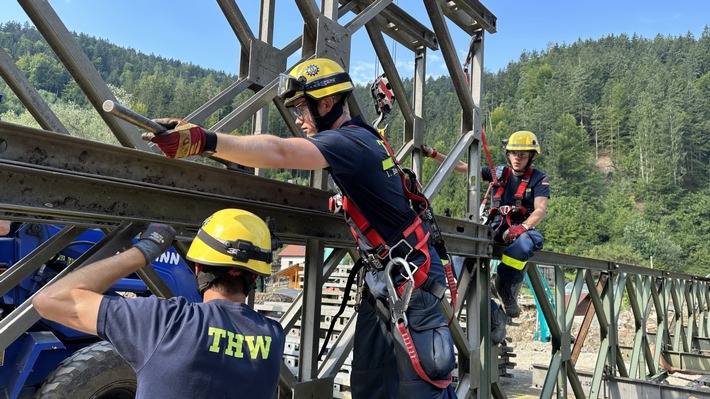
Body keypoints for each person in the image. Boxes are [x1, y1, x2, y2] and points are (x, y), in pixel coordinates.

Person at [143, 58, 456, 399]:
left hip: (410, 280)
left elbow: (278, 151)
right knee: (372, 386)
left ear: (326, 103)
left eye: (301, 109)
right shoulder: (361, 140)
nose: (297, 119)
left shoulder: (349, 143)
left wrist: (206, 140)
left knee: (424, 389)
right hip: (388, 278)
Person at [33, 209, 286, 399]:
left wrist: (144, 250)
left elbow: (49, 300)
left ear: (198, 268)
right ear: (255, 276)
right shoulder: (274, 337)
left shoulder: (165, 321)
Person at [422, 131, 550, 319]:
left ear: (531, 156)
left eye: (523, 154)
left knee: (527, 244)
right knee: (461, 245)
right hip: (495, 227)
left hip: (519, 229)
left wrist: (523, 227)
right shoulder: (498, 173)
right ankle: (477, 292)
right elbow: (461, 167)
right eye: (514, 153)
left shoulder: (538, 178)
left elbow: (540, 208)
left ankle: (504, 284)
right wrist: (434, 154)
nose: (517, 158)